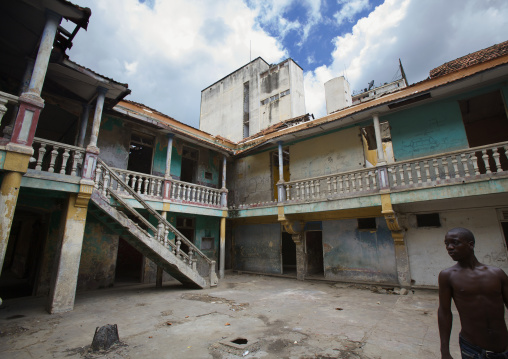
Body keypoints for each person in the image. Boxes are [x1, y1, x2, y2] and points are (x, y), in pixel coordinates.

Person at [438, 227, 508, 358]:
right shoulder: (448, 276)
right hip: (471, 348)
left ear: (471, 244)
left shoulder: (496, 274)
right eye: (447, 244)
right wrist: (444, 350)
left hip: (503, 346)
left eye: (455, 242)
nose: (449, 247)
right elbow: (444, 312)